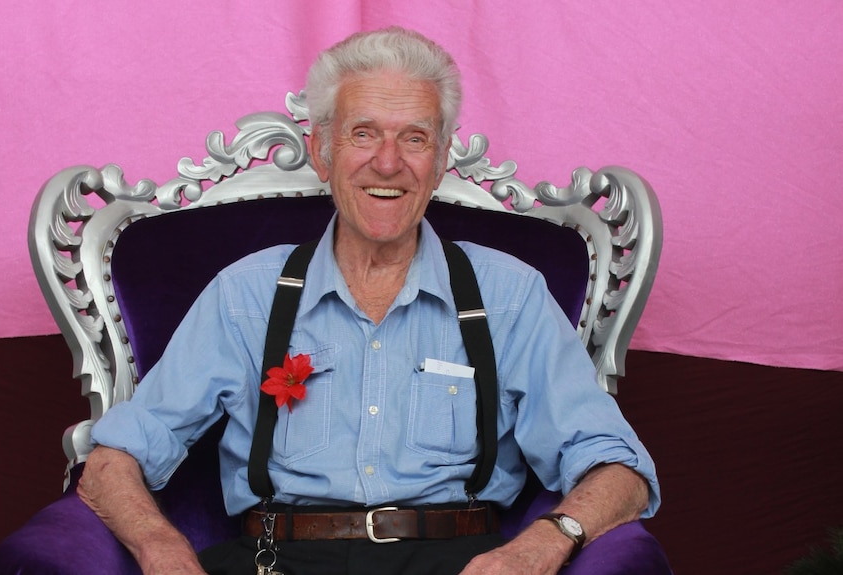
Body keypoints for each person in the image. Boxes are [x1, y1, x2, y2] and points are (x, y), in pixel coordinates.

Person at [77, 26, 660, 575]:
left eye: (414, 137)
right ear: (321, 151)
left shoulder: (510, 295)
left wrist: (538, 547)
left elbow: (621, 469)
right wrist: (162, 548)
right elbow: (113, 460)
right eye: (363, 133)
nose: (388, 162)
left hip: (455, 560)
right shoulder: (246, 294)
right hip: (278, 560)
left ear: (440, 158)